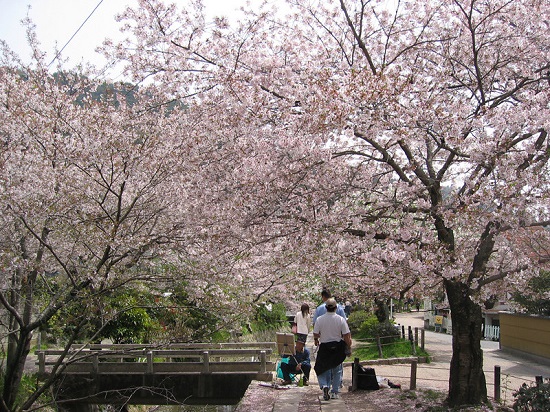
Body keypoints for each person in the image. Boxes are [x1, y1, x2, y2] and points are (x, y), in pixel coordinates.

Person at [313, 298, 352, 400]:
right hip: (337, 347)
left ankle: (324, 386)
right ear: (336, 308)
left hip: (325, 347)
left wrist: (316, 340)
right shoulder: (340, 319)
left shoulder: (319, 319)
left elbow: (315, 333)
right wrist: (349, 346)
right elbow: (346, 335)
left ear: (326, 308)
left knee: (321, 368)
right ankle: (334, 391)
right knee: (337, 370)